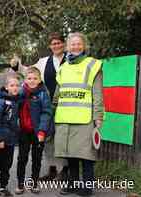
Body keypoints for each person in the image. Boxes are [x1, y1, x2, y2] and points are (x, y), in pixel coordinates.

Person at [10, 32, 69, 181]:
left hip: (67, 104)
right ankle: (52, 169)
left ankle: (65, 170)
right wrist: (17, 65)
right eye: (53, 43)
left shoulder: (71, 59)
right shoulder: (43, 62)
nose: (56, 46)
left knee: (63, 136)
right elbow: (28, 71)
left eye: (58, 43)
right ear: (50, 46)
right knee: (47, 137)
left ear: (64, 44)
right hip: (47, 103)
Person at [53, 32, 104, 196]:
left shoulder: (92, 65)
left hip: (85, 119)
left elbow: (98, 94)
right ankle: (73, 185)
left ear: (84, 46)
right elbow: (57, 94)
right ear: (67, 47)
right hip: (65, 118)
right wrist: (51, 111)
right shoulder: (62, 68)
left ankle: (87, 188)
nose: (75, 46)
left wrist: (98, 117)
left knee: (86, 156)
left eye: (78, 44)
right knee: (71, 155)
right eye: (72, 44)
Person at [15, 67, 53, 194]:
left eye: (35, 78)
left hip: (38, 133)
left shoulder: (43, 93)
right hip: (24, 132)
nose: (32, 81)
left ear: (40, 79)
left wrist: (42, 131)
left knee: (37, 159)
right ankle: (20, 184)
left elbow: (46, 113)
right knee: (22, 158)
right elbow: (10, 100)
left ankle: (34, 182)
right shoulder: (20, 92)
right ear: (25, 79)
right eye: (29, 78)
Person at [0, 75, 21, 197]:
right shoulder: (1, 101)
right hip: (0, 141)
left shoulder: (16, 101)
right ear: (6, 87)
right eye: (12, 85)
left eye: (17, 85)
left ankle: (3, 187)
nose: (15, 88)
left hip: (11, 141)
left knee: (7, 165)